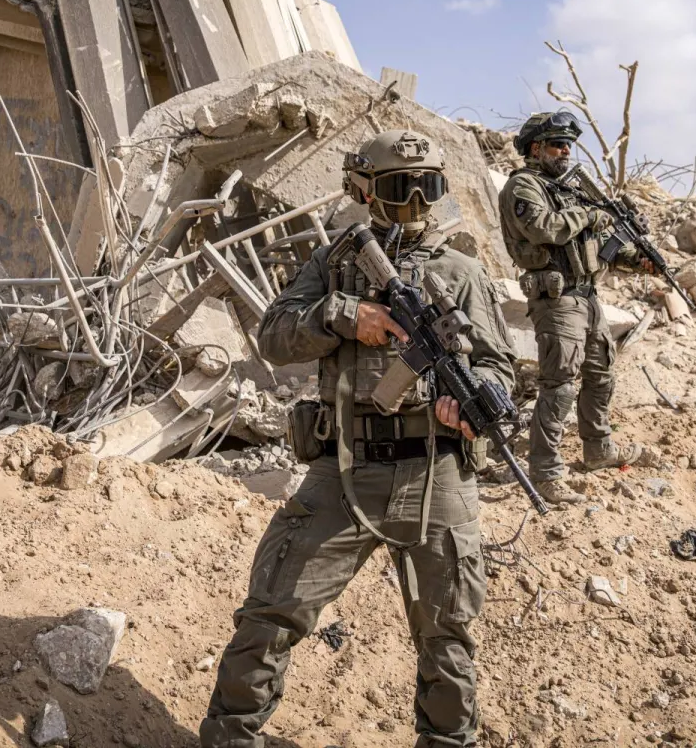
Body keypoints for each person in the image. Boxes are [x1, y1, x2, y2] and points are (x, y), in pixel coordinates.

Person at [201, 129, 516, 748]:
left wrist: (472, 399)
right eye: (402, 188)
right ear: (365, 191)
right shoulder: (335, 264)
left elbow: (499, 367)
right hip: (345, 467)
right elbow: (273, 336)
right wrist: (345, 315)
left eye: (428, 187)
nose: (416, 203)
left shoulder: (462, 271)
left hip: (437, 473)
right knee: (272, 613)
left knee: (446, 635)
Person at [497, 111, 647, 506]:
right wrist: (591, 215)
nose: (566, 151)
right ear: (536, 148)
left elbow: (595, 246)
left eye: (568, 145)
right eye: (557, 144)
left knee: (601, 375)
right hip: (557, 299)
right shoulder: (523, 186)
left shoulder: (570, 191)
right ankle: (546, 473)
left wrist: (637, 258)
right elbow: (544, 228)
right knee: (559, 385)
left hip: (588, 296)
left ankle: (598, 448)